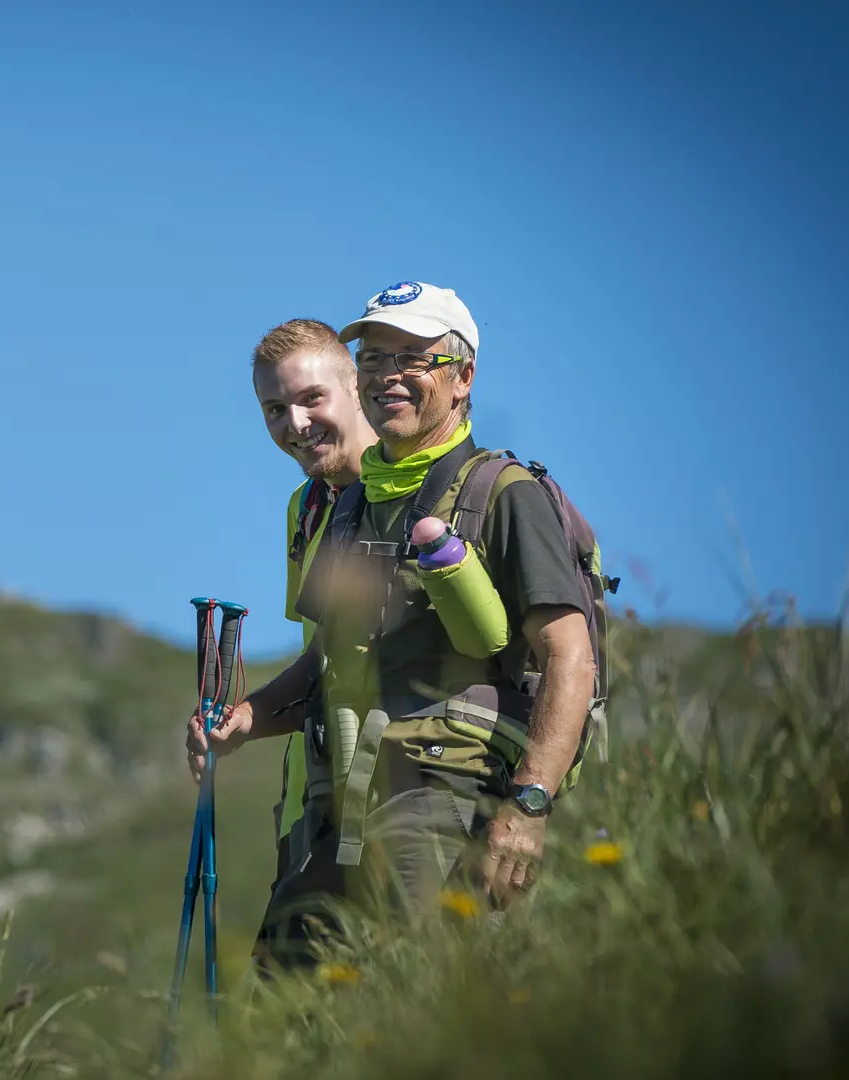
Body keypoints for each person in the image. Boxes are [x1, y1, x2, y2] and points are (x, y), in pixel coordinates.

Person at [188, 281, 598, 973]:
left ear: (463, 376)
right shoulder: (347, 509)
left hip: (444, 800)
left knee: (414, 1005)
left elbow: (571, 660)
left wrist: (528, 807)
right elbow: (328, 662)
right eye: (375, 359)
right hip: (336, 816)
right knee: (290, 1025)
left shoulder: (504, 494)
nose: (389, 376)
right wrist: (248, 720)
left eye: (414, 358)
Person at [246, 319, 378, 908]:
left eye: (310, 399)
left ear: (356, 387)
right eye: (274, 409)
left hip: (402, 802)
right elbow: (320, 660)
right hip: (311, 807)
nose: (294, 425)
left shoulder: (420, 490)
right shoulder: (306, 506)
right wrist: (246, 719)